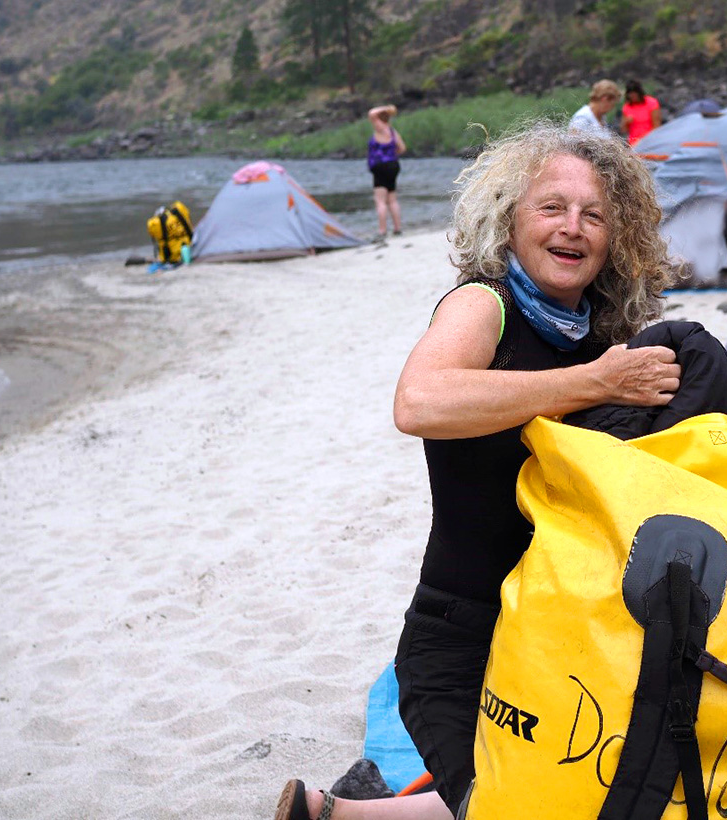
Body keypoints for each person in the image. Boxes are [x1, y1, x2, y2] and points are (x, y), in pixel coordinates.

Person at [272, 123, 680, 820]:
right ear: (509, 218)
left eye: (595, 215)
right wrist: (594, 383)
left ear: (618, 238)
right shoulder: (484, 304)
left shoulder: (605, 338)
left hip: (563, 636)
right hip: (461, 644)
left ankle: (333, 814)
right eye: (551, 206)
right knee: (512, 808)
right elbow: (418, 400)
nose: (572, 227)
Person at [368, 104, 407, 242]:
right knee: (392, 198)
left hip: (380, 167)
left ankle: (382, 230)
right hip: (393, 166)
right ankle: (397, 228)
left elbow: (371, 112)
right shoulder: (392, 131)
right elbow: (402, 148)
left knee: (380, 201)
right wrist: (390, 155)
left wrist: (387, 108)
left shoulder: (380, 128)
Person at [621, 79, 661, 146]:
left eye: (634, 93)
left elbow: (656, 126)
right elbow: (623, 130)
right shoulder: (627, 107)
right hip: (634, 145)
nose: (632, 96)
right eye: (630, 94)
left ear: (639, 93)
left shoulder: (652, 103)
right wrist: (626, 122)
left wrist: (644, 140)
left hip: (650, 142)